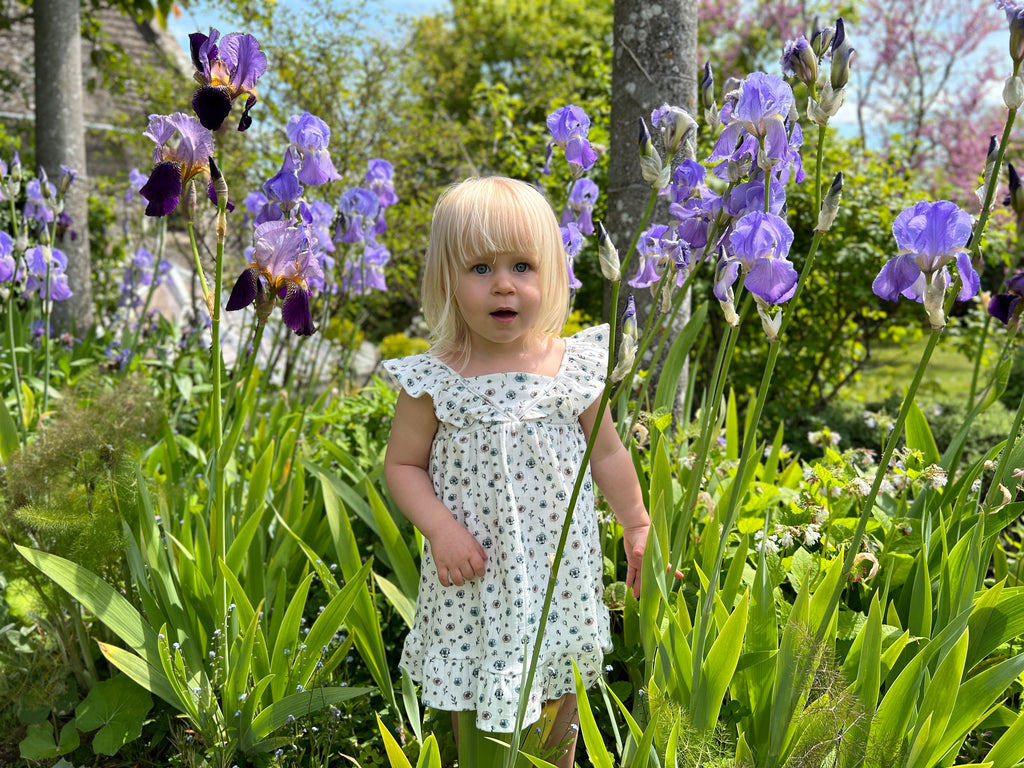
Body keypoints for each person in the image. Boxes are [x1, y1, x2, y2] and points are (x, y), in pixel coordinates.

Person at [383, 176, 650, 767]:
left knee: (559, 706)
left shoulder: (570, 367)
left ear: (550, 273)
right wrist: (441, 530)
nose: (503, 284)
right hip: (473, 576)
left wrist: (635, 522)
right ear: (447, 279)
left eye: (522, 266)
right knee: (473, 701)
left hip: (557, 572)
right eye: (479, 268)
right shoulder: (436, 380)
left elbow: (605, 453)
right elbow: (402, 466)